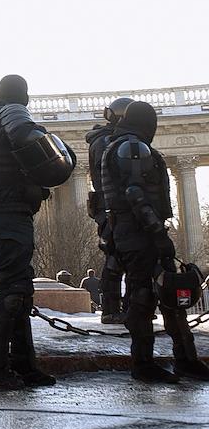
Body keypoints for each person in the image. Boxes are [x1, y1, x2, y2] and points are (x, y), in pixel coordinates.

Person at [0, 74, 74, 390]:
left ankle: (25, 366)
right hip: (9, 212)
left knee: (18, 290)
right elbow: (31, 140)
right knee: (12, 293)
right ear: (21, 94)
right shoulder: (11, 112)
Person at [98, 100, 209, 383]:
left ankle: (185, 360)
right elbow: (135, 193)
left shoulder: (119, 145)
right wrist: (157, 232)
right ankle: (145, 364)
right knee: (144, 296)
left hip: (129, 230)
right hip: (140, 232)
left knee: (168, 294)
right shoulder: (132, 148)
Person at [86, 97, 133, 324]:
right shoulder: (109, 142)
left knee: (122, 257)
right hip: (114, 207)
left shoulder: (104, 140)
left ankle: (124, 307)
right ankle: (113, 308)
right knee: (117, 257)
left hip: (110, 206)